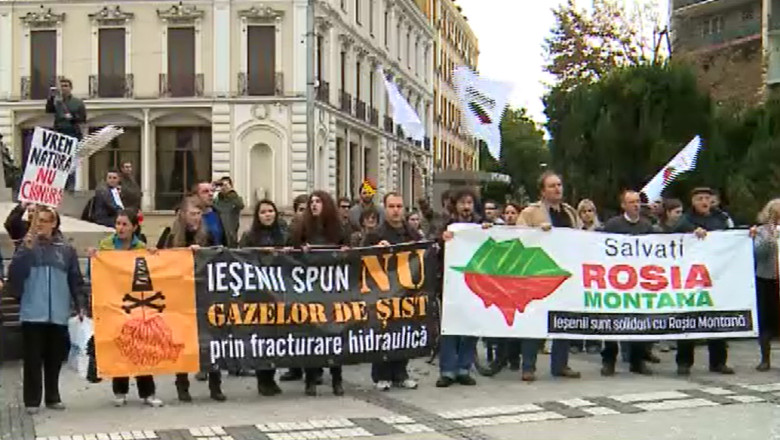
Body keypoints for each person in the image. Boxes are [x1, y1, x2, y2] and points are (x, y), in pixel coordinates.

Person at [8, 205, 84, 414]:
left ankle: (53, 396)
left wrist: (80, 305)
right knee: (32, 359)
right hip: (33, 312)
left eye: (43, 220)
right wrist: (24, 252)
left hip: (58, 312)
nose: (39, 224)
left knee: (54, 358)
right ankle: (32, 400)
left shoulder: (66, 250)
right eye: (36, 220)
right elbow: (14, 277)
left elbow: (75, 280)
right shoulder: (26, 246)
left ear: (54, 223)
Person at [88, 209, 163, 407]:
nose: (120, 228)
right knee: (120, 345)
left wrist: (154, 256)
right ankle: (120, 391)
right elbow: (95, 273)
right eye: (118, 224)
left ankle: (147, 392)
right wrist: (93, 258)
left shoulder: (141, 247)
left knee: (141, 346)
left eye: (124, 224)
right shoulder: (106, 245)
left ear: (134, 227)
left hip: (136, 303)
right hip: (114, 302)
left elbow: (150, 272)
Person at [516, 171, 581, 381]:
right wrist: (537, 232)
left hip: (565, 273)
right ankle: (528, 366)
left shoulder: (570, 212)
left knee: (563, 320)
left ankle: (560, 364)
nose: (557, 189)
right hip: (539, 273)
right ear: (542, 191)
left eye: (559, 185)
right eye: (552, 186)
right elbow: (519, 237)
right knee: (534, 319)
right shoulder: (530, 212)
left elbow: (583, 237)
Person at [161, 197, 226, 402]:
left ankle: (215, 385)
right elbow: (161, 259)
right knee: (182, 340)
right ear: (183, 215)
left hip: (206, 293)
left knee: (210, 340)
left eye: (199, 214)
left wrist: (204, 253)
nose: (196, 218)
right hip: (181, 295)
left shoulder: (209, 235)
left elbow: (221, 255)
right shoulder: (171, 235)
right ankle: (182, 385)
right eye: (192, 214)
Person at [290, 190, 347, 396]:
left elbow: (350, 252)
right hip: (310, 290)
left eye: (318, 201)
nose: (314, 205)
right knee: (312, 335)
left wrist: (345, 252)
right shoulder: (303, 228)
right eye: (312, 202)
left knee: (334, 335)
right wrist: (300, 250)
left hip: (333, 290)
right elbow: (291, 252)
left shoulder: (338, 229)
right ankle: (310, 379)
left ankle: (337, 379)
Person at [363, 192, 422, 391]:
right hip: (383, 292)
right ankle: (381, 375)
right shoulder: (375, 234)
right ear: (385, 208)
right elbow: (360, 258)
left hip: (406, 291)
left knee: (404, 332)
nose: (396, 211)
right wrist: (375, 249)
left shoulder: (412, 233)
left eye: (399, 206)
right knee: (383, 333)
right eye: (391, 206)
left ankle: (401, 373)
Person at [675, 187, 734, 376]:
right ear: (693, 201)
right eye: (700, 198)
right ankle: (684, 362)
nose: (704, 202)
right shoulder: (685, 219)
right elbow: (675, 235)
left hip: (715, 276)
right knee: (688, 321)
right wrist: (691, 231)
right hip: (691, 278)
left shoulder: (721, 218)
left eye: (707, 198)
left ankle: (718, 362)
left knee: (717, 319)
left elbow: (732, 238)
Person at [239, 199, 287, 395]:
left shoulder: (283, 235)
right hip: (258, 294)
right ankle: (262, 379)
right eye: (263, 212)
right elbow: (240, 258)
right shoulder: (249, 236)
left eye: (270, 211)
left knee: (276, 338)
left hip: (279, 293)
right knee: (262, 337)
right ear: (257, 216)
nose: (267, 215)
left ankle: (271, 376)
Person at [437, 187, 482, 388]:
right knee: (449, 327)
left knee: (470, 326)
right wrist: (442, 239)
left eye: (469, 203)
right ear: (455, 205)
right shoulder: (445, 224)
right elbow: (432, 247)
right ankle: (447, 370)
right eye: (463, 203)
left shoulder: (481, 224)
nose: (466, 207)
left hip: (475, 284)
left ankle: (464, 368)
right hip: (451, 284)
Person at [279, 193, 316, 384]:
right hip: (293, 283)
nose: (304, 213)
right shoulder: (290, 229)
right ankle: (294, 368)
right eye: (300, 210)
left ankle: (315, 370)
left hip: (313, 284)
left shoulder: (316, 228)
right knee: (293, 327)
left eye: (306, 209)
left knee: (313, 328)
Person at [752, 199, 780, 372]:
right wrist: (771, 238)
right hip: (766, 280)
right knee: (765, 321)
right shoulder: (760, 232)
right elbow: (758, 254)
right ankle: (765, 359)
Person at [572, 199, 602, 355]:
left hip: (596, 274)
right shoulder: (574, 232)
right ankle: (576, 342)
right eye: (583, 211)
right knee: (578, 308)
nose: (587, 214)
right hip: (579, 273)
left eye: (590, 211)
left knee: (594, 308)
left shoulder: (602, 232)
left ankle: (593, 341)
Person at [45, 78, 86, 191]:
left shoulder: (78, 102)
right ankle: (60, 186)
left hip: (72, 134)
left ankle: (70, 187)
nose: (63, 88)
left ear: (70, 88)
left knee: (71, 163)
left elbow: (83, 119)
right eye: (62, 86)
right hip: (59, 134)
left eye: (66, 86)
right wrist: (51, 97)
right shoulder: (56, 102)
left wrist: (72, 118)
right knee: (59, 162)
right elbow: (48, 110)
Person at [193, 181, 235, 247]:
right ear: (195, 196)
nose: (211, 194)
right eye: (205, 191)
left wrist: (231, 192)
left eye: (212, 191)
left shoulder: (221, 214)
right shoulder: (188, 217)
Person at [213, 176, 245, 246]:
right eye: (222, 185)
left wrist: (231, 192)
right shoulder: (217, 201)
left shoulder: (235, 199)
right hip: (219, 232)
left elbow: (241, 205)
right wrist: (213, 188)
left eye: (226, 185)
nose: (223, 187)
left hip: (231, 233)